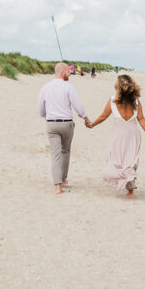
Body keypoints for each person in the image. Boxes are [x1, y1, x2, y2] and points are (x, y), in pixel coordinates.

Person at [86, 73, 145, 198]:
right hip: (133, 135)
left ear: (118, 86)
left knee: (117, 160)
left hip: (118, 135)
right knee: (130, 161)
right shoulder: (136, 102)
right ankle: (130, 190)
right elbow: (141, 118)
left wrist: (92, 125)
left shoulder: (112, 101)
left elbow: (103, 116)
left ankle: (124, 182)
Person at [38, 62, 90, 194]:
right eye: (68, 71)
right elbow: (77, 104)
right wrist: (85, 117)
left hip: (51, 124)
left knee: (55, 155)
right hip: (66, 123)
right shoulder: (68, 87)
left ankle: (57, 186)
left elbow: (41, 108)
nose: (70, 74)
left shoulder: (46, 87)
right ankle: (63, 179)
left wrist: (46, 116)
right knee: (65, 152)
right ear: (62, 72)